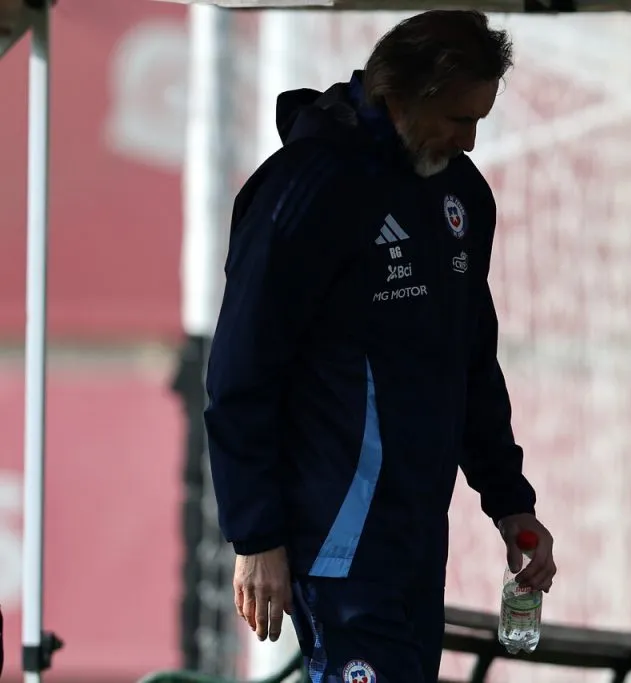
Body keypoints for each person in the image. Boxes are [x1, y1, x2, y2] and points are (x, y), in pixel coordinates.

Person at [204, 10, 556, 683]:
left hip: (417, 534)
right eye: (459, 119)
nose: (472, 141)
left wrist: (511, 501)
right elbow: (240, 371)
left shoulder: (462, 195)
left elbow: (471, 361)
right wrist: (256, 537)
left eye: (481, 119)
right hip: (331, 536)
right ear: (401, 93)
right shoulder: (306, 190)